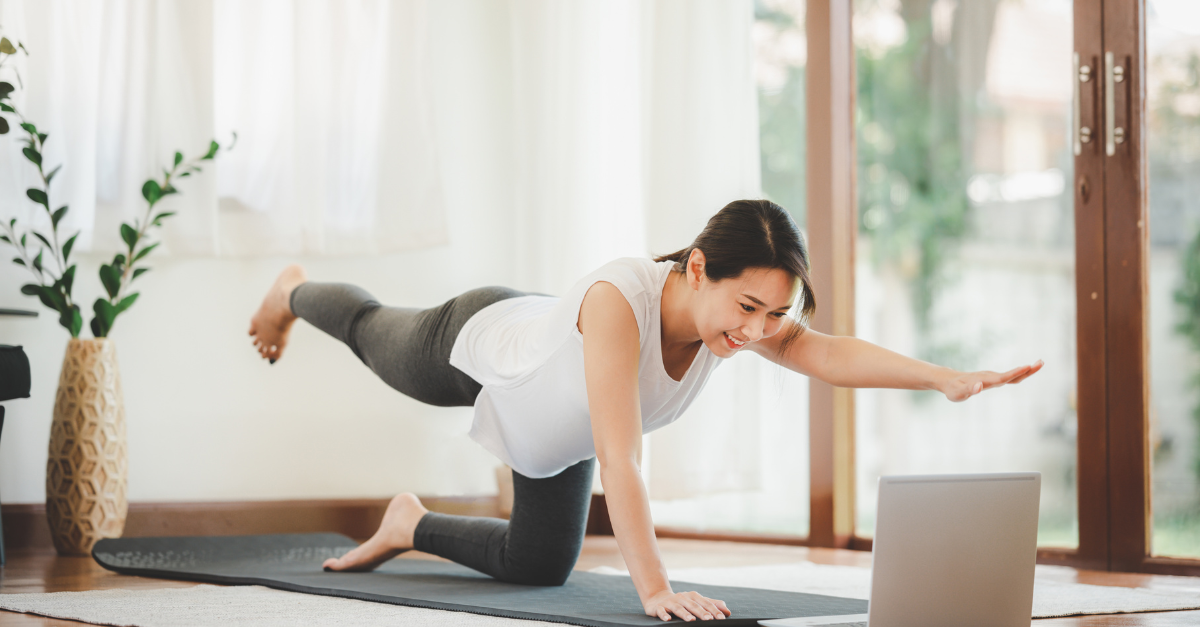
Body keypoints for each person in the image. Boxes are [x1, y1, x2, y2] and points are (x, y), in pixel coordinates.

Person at [247, 199, 1042, 622]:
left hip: (551, 426)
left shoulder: (735, 322)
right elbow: (621, 458)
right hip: (482, 345)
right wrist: (653, 585)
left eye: (776, 314)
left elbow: (824, 351)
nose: (760, 330)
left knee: (537, 566)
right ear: (698, 268)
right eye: (749, 305)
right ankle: (291, 289)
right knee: (371, 332)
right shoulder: (621, 300)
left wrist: (942, 377)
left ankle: (408, 522)